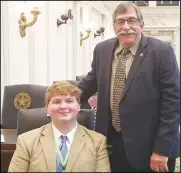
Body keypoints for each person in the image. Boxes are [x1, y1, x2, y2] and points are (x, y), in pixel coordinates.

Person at [78, 2, 180, 172]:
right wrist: (63, 97)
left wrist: (161, 149)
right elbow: (91, 81)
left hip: (150, 144)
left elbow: (173, 103)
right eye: (120, 21)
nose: (126, 27)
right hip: (111, 141)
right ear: (114, 26)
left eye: (131, 20)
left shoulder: (162, 52)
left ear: (141, 24)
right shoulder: (102, 49)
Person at [8, 81, 110, 172]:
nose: (63, 106)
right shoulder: (26, 141)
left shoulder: (97, 142)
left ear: (79, 106)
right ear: (47, 108)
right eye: (57, 102)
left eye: (69, 101)